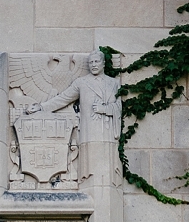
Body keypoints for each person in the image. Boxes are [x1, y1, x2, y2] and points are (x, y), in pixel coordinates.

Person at [26, 50, 121, 182]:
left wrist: (104, 109)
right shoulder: (81, 82)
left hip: (107, 130)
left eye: (96, 61)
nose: (93, 64)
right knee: (92, 165)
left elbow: (118, 107)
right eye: (91, 62)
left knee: (107, 165)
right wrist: (42, 107)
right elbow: (63, 98)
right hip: (90, 129)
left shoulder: (114, 83)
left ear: (103, 63)